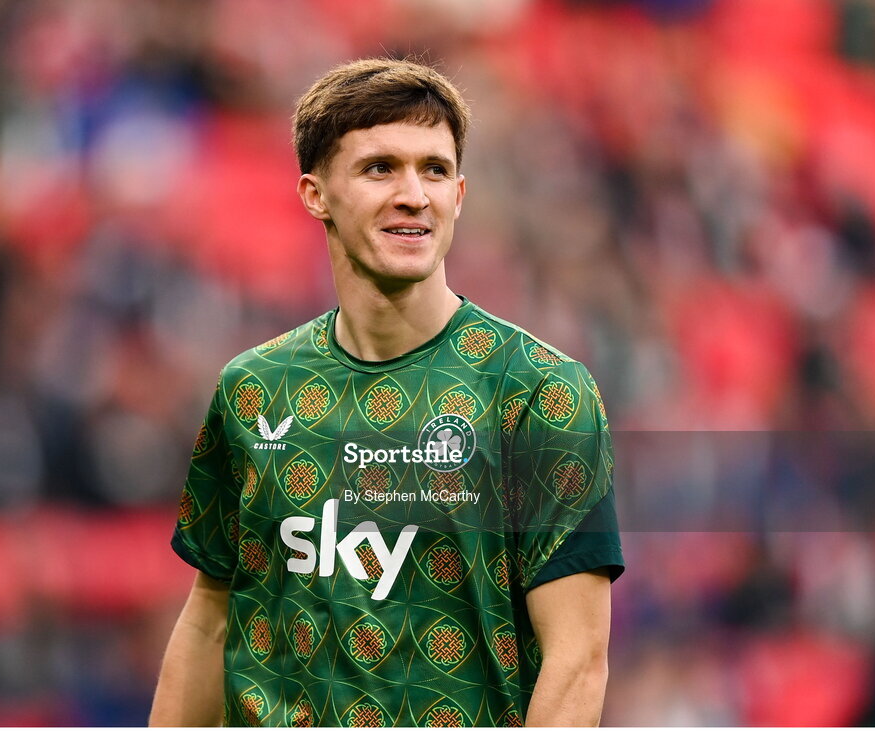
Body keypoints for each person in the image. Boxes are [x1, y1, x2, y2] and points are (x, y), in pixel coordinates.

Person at [149, 57, 624, 727]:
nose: (414, 194)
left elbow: (577, 658)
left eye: (433, 169)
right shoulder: (253, 391)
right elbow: (211, 621)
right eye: (380, 168)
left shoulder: (537, 392)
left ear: (459, 194)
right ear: (316, 195)